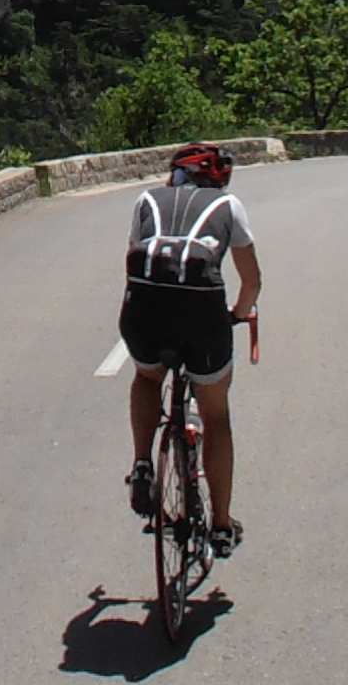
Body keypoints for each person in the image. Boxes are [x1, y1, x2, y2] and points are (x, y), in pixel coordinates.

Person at [119, 142, 261, 558]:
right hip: (202, 316)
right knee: (216, 416)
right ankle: (220, 524)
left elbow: (133, 259)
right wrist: (237, 314)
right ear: (218, 177)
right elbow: (251, 281)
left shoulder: (146, 200)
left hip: (144, 309)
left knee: (147, 376)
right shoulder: (228, 207)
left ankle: (143, 462)